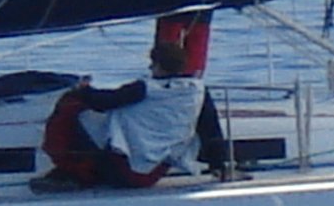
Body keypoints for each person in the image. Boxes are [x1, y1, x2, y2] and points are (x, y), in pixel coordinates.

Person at [34, 29, 215, 191]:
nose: (150, 68)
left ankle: (73, 173)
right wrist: (219, 162)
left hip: (124, 172)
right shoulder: (198, 91)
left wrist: (82, 90)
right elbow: (210, 127)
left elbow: (104, 102)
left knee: (72, 107)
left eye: (153, 64)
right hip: (155, 172)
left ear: (158, 65)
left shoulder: (143, 89)